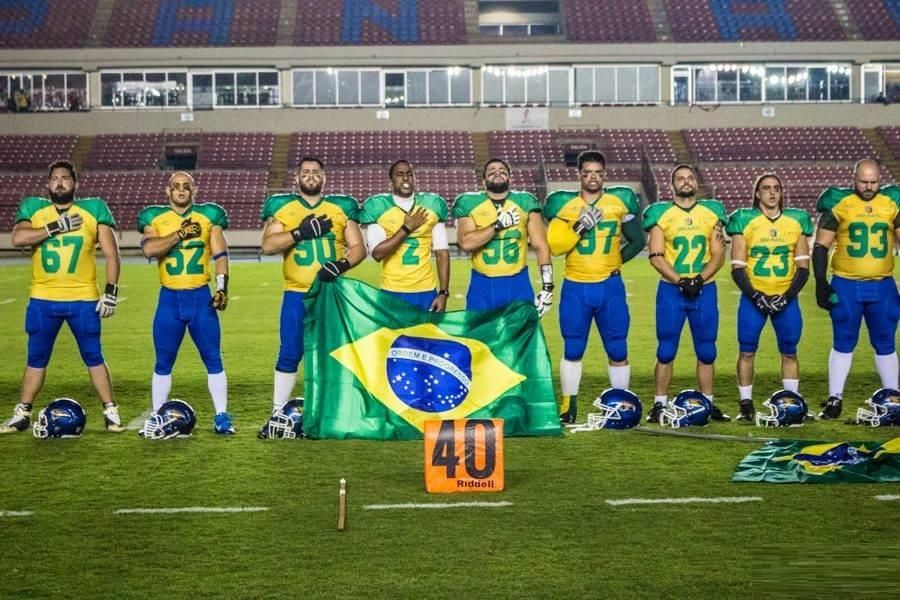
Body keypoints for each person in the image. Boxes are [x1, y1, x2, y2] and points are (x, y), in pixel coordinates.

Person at [1, 160, 124, 434]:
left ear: (75, 183)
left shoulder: (93, 209)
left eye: (65, 178)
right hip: (43, 298)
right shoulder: (34, 208)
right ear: (48, 184)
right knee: (36, 356)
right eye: (54, 178)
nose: (59, 182)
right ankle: (22, 412)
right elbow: (17, 238)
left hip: (83, 299)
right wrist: (55, 227)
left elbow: (112, 253)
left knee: (93, 355)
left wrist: (111, 292)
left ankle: (110, 410)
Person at [258, 157, 367, 435]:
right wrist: (298, 233)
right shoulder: (283, 208)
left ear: (324, 177)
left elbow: (358, 248)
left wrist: (342, 264)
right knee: (290, 352)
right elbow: (268, 245)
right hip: (296, 294)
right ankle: (277, 413)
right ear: (297, 178)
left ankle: (336, 412)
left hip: (331, 295)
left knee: (334, 354)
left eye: (315, 172)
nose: (310, 176)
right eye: (305, 172)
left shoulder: (340, 208)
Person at [543, 151, 646, 424]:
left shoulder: (618, 201)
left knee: (617, 348)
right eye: (587, 172)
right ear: (579, 174)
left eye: (598, 173)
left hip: (610, 286)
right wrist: (579, 226)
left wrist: (614, 261)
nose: (593, 177)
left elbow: (637, 241)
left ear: (604, 174)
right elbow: (555, 247)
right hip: (576, 286)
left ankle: (622, 405)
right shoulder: (564, 205)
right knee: (573, 348)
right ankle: (568, 406)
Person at [137, 172, 233, 435]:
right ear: (167, 191)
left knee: (213, 358)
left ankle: (222, 415)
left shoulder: (208, 217)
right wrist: (179, 234)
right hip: (169, 298)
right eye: (176, 187)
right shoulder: (154, 218)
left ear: (194, 190)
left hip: (201, 297)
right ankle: (158, 415)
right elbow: (149, 249)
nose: (181, 190)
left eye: (186, 187)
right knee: (163, 361)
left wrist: (223, 288)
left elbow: (221, 254)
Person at [813, 159, 900, 419]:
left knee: (886, 342)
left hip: (883, 284)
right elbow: (820, 247)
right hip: (846, 284)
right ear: (854, 179)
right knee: (843, 341)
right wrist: (820, 283)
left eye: (874, 182)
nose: (870, 187)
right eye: (864, 182)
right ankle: (835, 398)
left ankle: (893, 398)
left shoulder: (892, 203)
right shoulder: (839, 203)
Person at [642, 164, 729, 423]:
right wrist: (681, 281)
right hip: (671, 290)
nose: (686, 181)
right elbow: (656, 256)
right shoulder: (661, 214)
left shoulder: (710, 213)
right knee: (666, 350)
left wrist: (700, 279)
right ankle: (659, 404)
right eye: (680, 178)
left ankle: (708, 403)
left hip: (705, 289)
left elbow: (719, 254)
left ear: (696, 183)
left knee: (707, 351)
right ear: (672, 185)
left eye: (690, 177)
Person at [726, 173, 813, 421]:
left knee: (789, 352)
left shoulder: (796, 222)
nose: (772, 193)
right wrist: (756, 295)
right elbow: (737, 267)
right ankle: (745, 404)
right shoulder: (745, 220)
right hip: (754, 297)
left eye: (776, 188)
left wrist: (786, 297)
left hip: (785, 296)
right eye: (766, 188)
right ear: (757, 194)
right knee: (747, 352)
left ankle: (792, 403)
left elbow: (803, 268)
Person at [452, 158, 554, 314]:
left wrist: (548, 287)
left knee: (520, 337)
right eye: (492, 172)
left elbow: (541, 246)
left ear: (510, 178)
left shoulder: (525, 201)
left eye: (502, 171)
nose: (498, 173)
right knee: (480, 337)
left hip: (518, 283)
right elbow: (466, 243)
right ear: (483, 180)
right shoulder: (469, 202)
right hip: (482, 285)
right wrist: (497, 226)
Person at [361, 160, 450, 311]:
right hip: (392, 290)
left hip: (426, 290)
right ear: (391, 180)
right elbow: (377, 254)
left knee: (425, 335)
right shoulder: (378, 206)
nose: (406, 178)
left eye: (409, 173)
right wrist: (407, 228)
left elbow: (442, 253)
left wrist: (443, 292)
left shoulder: (432, 205)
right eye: (400, 174)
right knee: (395, 335)